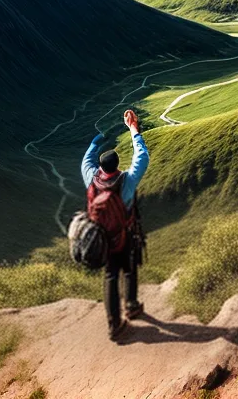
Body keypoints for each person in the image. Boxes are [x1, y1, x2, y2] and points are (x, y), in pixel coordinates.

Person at [81, 108, 150, 340]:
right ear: (118, 165)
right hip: (125, 235)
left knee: (110, 276)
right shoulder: (126, 181)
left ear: (101, 167)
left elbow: (86, 160)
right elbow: (142, 157)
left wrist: (96, 142)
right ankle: (131, 305)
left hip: (102, 238)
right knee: (129, 268)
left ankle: (114, 325)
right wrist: (133, 129)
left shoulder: (91, 177)